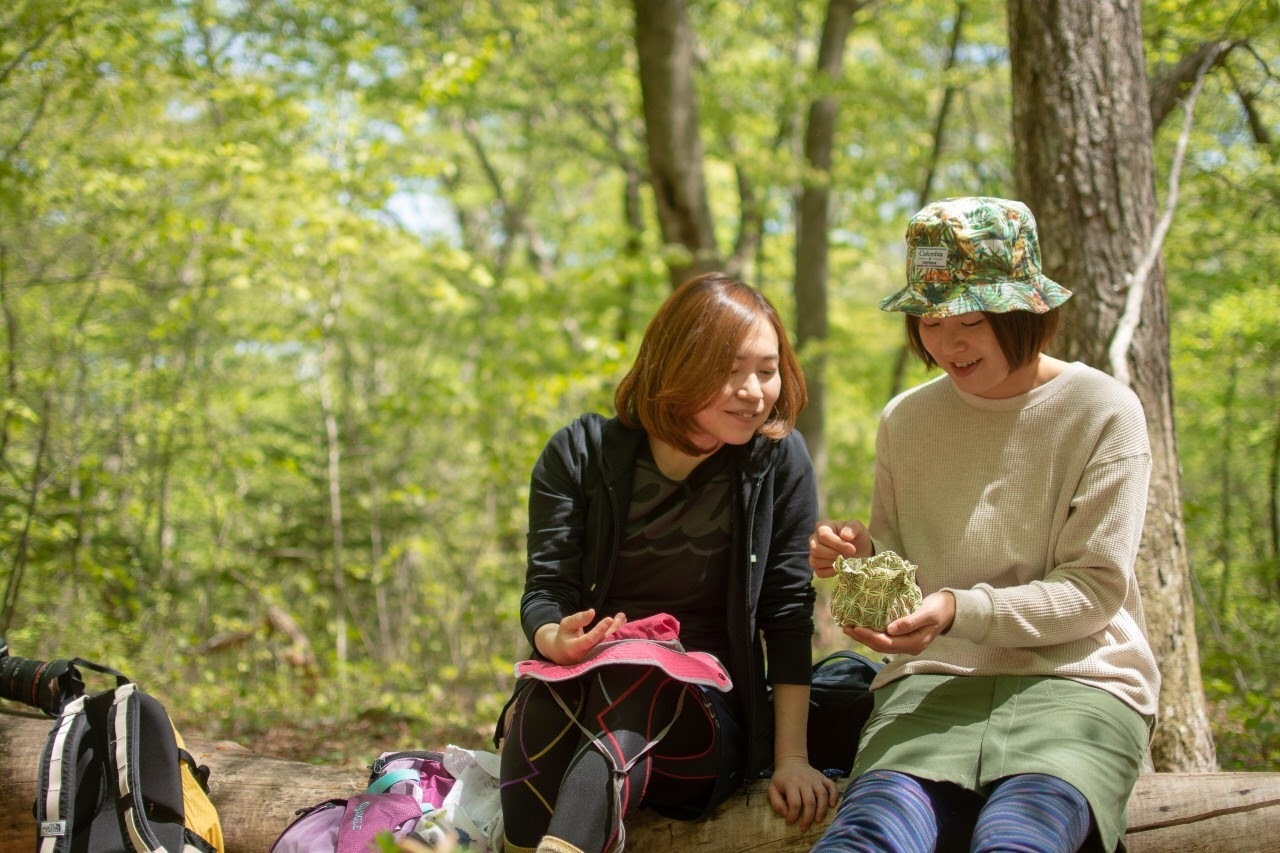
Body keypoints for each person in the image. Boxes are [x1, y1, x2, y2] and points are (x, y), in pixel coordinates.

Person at [808, 196, 1160, 853]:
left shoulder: (1102, 410)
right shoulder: (906, 420)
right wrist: (861, 558)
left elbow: (1092, 591)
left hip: (1076, 688)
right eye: (932, 321)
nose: (949, 343)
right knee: (868, 836)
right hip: (929, 688)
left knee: (1018, 837)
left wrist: (955, 607)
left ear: (1029, 311)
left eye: (971, 320)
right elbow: (902, 583)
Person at [495, 272, 837, 853]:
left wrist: (793, 760)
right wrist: (553, 638)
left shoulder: (777, 464)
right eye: (729, 370)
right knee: (546, 706)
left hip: (701, 724)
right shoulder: (579, 455)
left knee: (646, 668)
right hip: (580, 700)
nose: (754, 391)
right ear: (676, 365)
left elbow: (786, 616)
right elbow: (545, 589)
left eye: (767, 369)